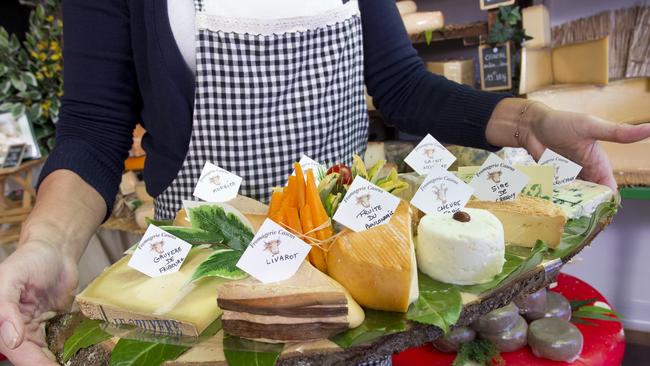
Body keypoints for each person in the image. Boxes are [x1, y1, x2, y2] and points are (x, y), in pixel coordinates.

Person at [1, 0, 649, 365]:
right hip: (199, 292)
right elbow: (94, 124)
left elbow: (401, 84)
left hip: (345, 288)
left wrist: (528, 118)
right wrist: (49, 242)